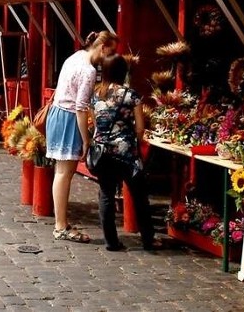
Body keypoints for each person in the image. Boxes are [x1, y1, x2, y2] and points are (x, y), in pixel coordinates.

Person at [45, 30, 119, 243]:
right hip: (68, 118)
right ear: (102, 47)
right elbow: (81, 106)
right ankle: (60, 226)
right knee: (64, 173)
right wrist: (86, 138)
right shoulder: (88, 70)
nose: (110, 58)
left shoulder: (75, 56)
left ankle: (61, 222)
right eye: (110, 52)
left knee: (61, 172)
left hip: (57, 113)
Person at [89, 54, 162, 251]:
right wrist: (135, 142)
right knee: (139, 195)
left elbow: (96, 124)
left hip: (102, 152)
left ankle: (111, 241)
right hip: (126, 154)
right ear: (124, 72)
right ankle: (148, 239)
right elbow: (139, 128)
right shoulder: (131, 95)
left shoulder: (96, 95)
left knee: (106, 194)